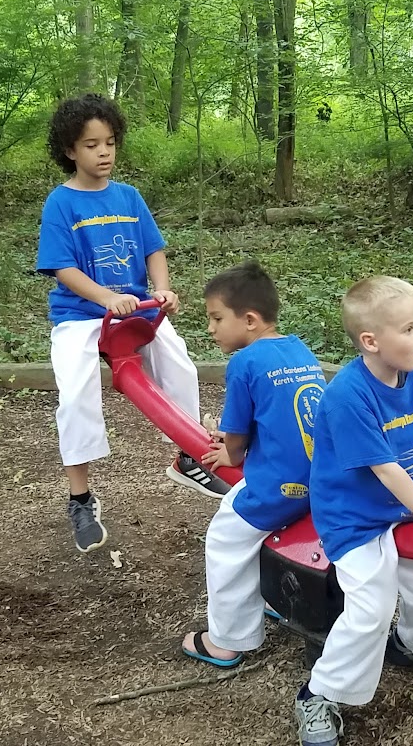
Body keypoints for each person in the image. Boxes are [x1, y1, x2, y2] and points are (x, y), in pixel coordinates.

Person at [293, 277, 413, 746]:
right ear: (371, 341)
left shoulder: (412, 373)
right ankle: (318, 694)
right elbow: (388, 472)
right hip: (354, 517)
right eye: (408, 328)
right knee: (372, 607)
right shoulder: (347, 397)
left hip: (404, 509)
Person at [35, 93, 222, 554]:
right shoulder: (61, 204)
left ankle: (188, 454)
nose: (104, 152)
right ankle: (80, 497)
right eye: (92, 144)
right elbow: (63, 268)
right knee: (77, 390)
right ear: (69, 151)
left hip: (137, 309)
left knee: (179, 363)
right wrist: (106, 299)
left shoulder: (129, 197)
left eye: (110, 142)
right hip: (80, 316)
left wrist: (160, 291)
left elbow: (153, 251)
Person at [179, 261, 325, 667]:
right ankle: (271, 597)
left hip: (276, 488)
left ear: (249, 319)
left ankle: (228, 639)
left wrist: (230, 453)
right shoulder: (299, 349)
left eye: (216, 318)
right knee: (260, 538)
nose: (211, 329)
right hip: (318, 481)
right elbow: (286, 413)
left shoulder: (243, 363)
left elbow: (238, 439)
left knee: (225, 540)